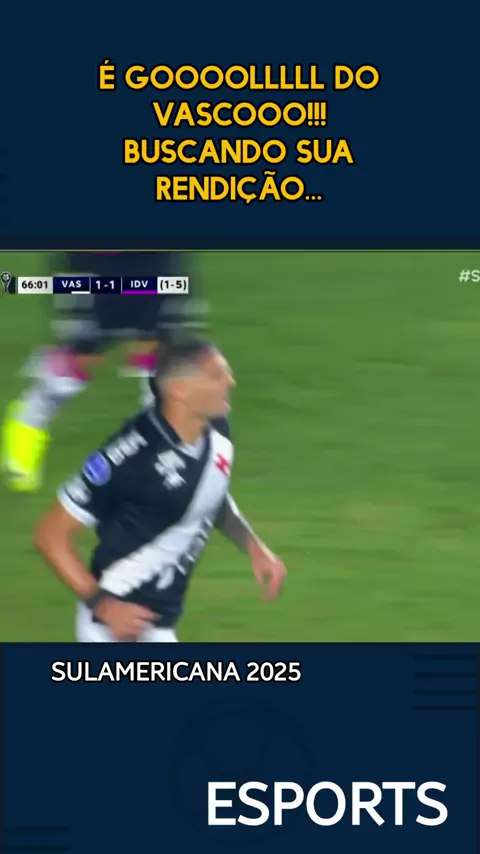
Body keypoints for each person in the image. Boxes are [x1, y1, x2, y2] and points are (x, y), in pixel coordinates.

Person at [33, 339, 286, 642]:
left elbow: (208, 491)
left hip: (157, 625)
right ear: (180, 390)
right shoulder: (129, 457)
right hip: (114, 626)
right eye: (216, 376)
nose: (230, 381)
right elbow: (50, 535)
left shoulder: (217, 429)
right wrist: (104, 606)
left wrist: (253, 547)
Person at [1, 251, 204, 493]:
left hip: (155, 256)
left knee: (157, 354)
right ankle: (26, 424)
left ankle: (160, 452)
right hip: (92, 256)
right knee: (81, 359)